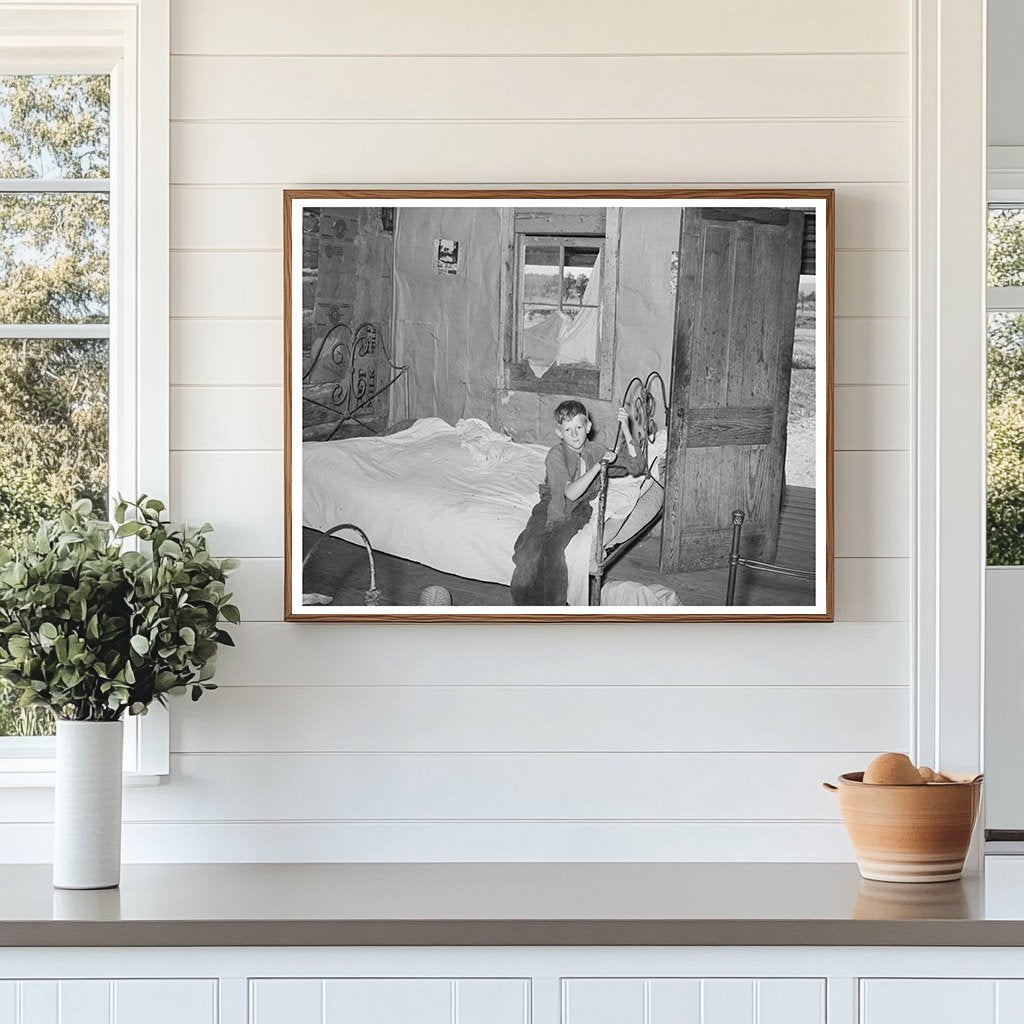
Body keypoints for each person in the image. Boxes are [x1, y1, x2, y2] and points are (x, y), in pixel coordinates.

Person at [510, 400, 646, 605]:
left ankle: (553, 610)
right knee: (527, 554)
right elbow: (570, 493)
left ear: (588, 427)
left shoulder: (596, 450)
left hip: (579, 510)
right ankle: (523, 609)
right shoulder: (555, 455)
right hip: (550, 505)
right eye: (568, 429)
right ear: (559, 432)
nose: (574, 435)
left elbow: (636, 466)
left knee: (554, 552)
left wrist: (626, 429)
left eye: (579, 428)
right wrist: (597, 468)